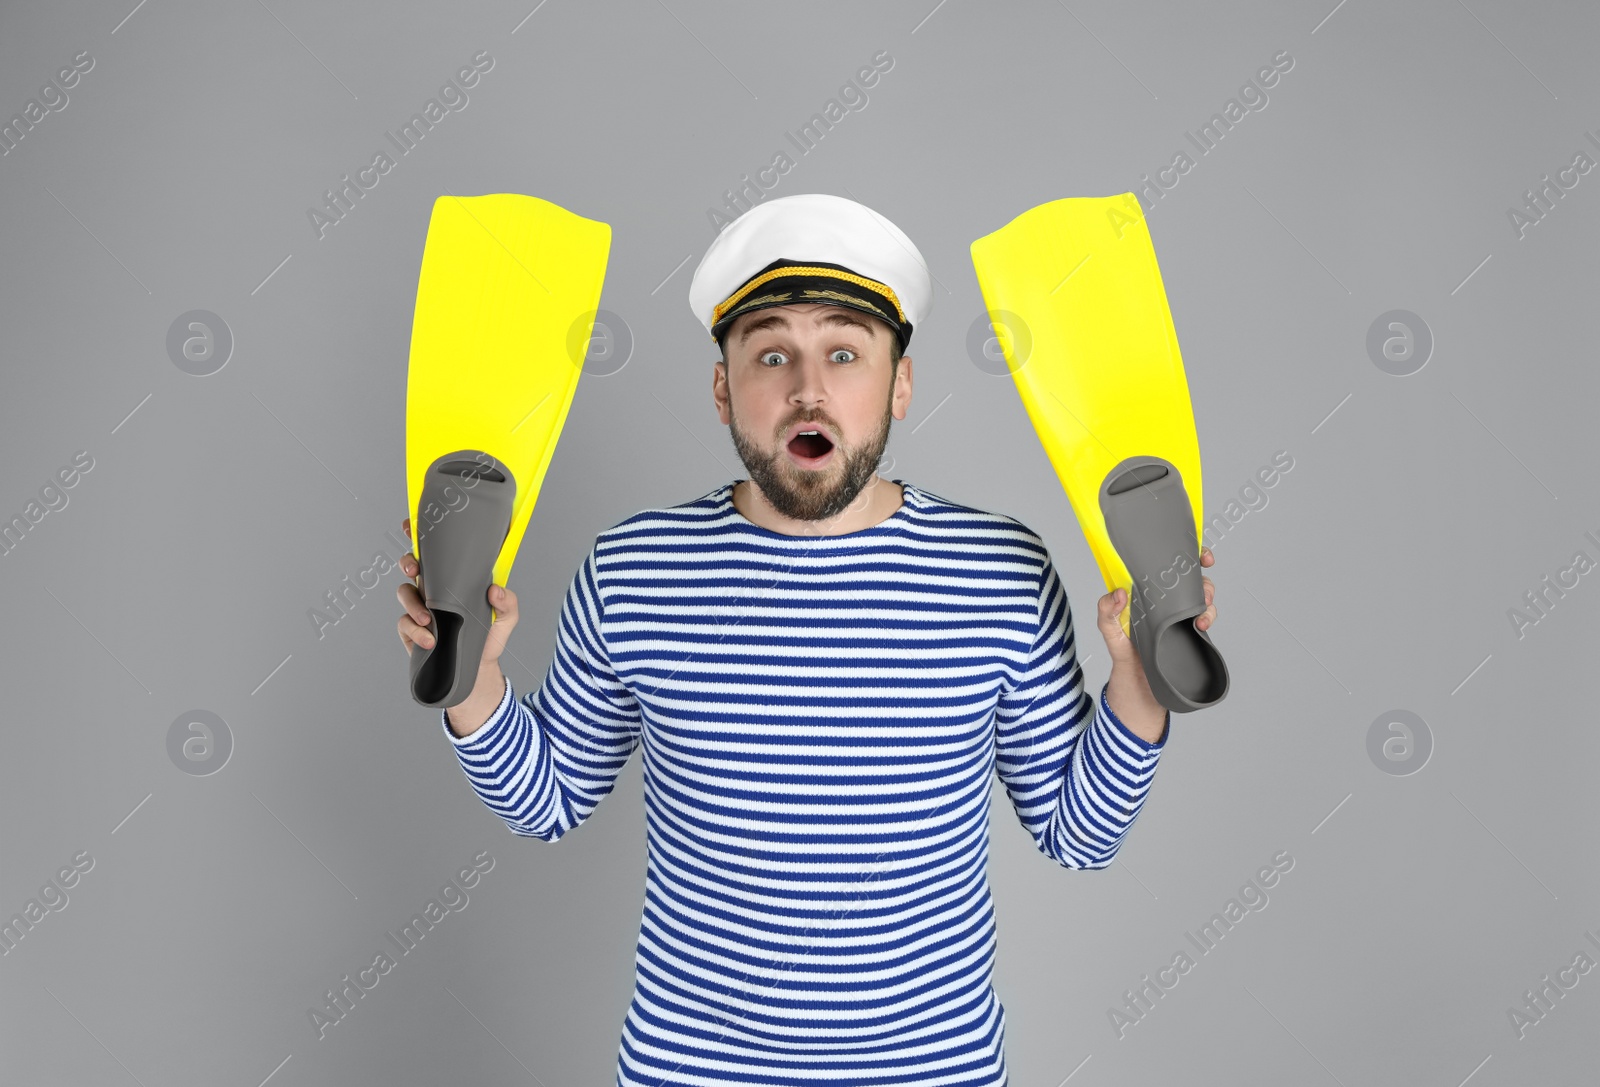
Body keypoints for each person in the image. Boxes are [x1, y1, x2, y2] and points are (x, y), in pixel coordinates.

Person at [396, 193, 1218, 1085]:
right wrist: (473, 681)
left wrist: (1136, 681)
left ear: (900, 382)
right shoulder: (634, 567)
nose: (808, 390)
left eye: (844, 352)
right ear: (723, 388)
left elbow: (1076, 833)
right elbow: (547, 802)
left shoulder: (1000, 569)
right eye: (772, 354)